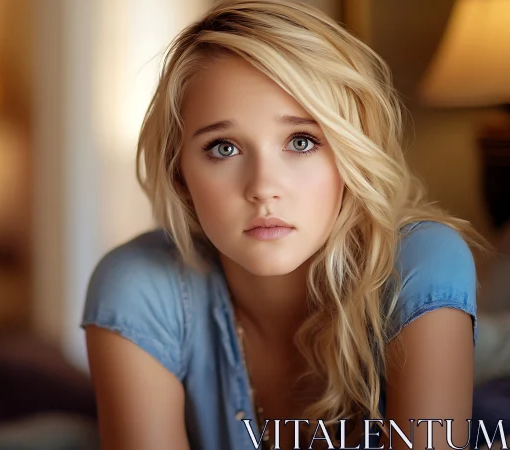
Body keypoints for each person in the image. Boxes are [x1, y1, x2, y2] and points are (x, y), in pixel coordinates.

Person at [79, 1, 489, 449]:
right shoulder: (140, 286)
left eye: (301, 141)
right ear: (180, 173)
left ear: (351, 151)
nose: (263, 188)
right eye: (223, 148)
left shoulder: (422, 264)